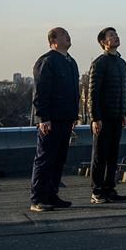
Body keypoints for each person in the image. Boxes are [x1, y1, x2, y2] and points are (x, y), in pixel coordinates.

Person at [30, 27, 79, 212]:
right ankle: (38, 198)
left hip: (66, 118)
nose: (68, 36)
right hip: (50, 120)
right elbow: (41, 92)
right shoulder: (47, 61)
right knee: (45, 158)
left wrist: (74, 116)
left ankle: (52, 195)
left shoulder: (71, 62)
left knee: (59, 159)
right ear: (53, 41)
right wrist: (43, 118)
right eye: (63, 34)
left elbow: (74, 92)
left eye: (68, 33)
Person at [87, 27, 126, 204]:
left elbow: (125, 90)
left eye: (116, 34)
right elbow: (93, 93)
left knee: (113, 155)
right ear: (103, 43)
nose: (116, 37)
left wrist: (125, 113)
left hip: (117, 116)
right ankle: (97, 191)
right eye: (111, 36)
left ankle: (110, 189)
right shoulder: (99, 63)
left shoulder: (122, 63)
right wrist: (95, 118)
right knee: (100, 155)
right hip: (103, 117)